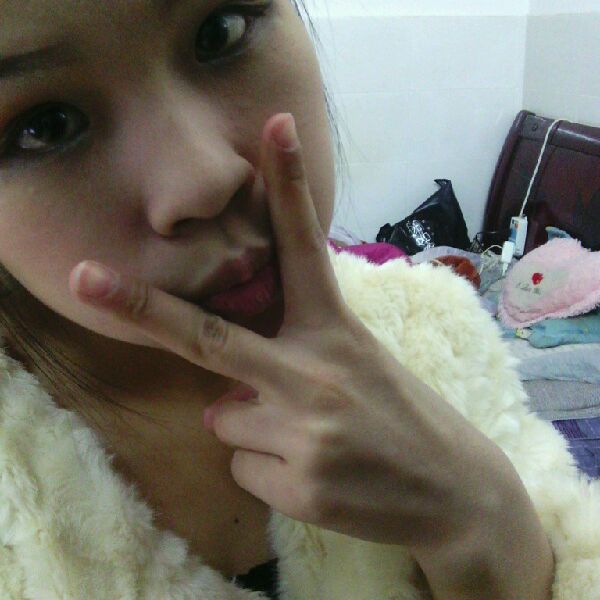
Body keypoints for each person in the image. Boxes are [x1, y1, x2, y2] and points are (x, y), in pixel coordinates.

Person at [0, 1, 598, 598]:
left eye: (218, 32)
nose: (206, 180)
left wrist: (481, 517)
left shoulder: (434, 330)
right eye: (46, 125)